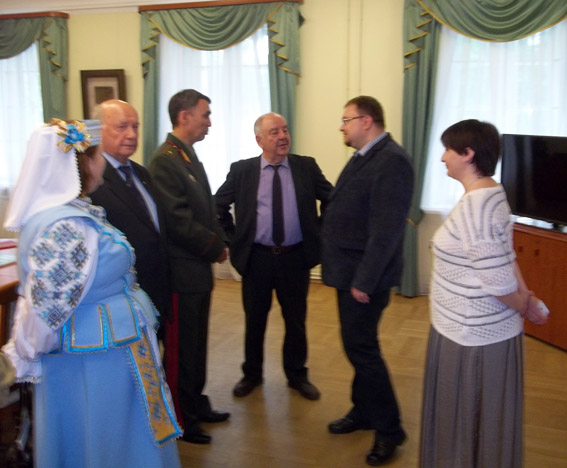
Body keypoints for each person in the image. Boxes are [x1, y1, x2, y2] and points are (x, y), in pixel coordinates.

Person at [1, 119, 181, 467]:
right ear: (83, 164)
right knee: (104, 437)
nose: (102, 164)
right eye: (97, 157)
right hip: (93, 361)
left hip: (104, 352)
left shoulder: (75, 213)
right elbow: (47, 307)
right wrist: (28, 352)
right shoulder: (66, 227)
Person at [419, 119, 549, 468]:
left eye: (448, 149)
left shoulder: (477, 207)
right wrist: (527, 298)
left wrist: (524, 303)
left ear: (468, 154)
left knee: (465, 425)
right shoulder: (492, 192)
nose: (443, 157)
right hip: (471, 330)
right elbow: (507, 255)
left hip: (472, 336)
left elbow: (497, 282)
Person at [321, 96, 414, 466]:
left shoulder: (391, 161)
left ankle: (390, 429)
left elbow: (386, 232)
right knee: (358, 345)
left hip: (364, 277)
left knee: (362, 349)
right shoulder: (366, 156)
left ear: (367, 120)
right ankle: (363, 410)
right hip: (350, 271)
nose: (341, 126)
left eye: (346, 120)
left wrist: (364, 280)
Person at [215, 112, 333, 401]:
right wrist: (232, 239)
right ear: (259, 140)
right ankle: (252, 374)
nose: (282, 137)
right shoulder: (243, 170)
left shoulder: (306, 167)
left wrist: (318, 232)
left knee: (296, 320)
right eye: (274, 132)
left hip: (295, 258)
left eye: (285, 130)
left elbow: (332, 198)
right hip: (257, 258)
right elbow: (217, 205)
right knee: (255, 319)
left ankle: (297, 375)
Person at [149, 89, 230, 445]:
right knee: (181, 352)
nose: (209, 122)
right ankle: (181, 418)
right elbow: (177, 220)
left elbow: (206, 210)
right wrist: (215, 247)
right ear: (184, 116)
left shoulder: (185, 155)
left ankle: (196, 404)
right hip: (181, 276)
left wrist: (220, 239)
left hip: (196, 274)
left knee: (196, 347)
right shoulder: (165, 161)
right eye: (205, 114)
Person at [90, 100, 171, 327]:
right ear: (99, 131)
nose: (132, 134)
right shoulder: (92, 180)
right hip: (120, 297)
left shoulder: (142, 173)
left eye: (135, 127)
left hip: (156, 289)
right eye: (122, 127)